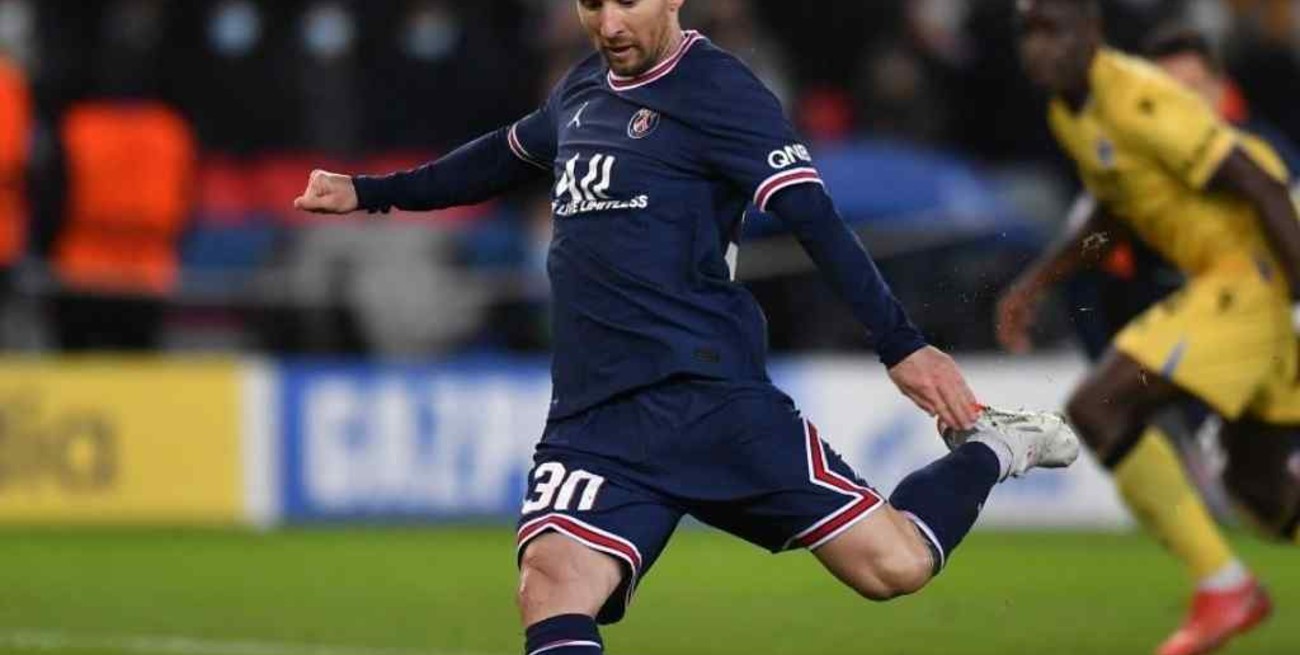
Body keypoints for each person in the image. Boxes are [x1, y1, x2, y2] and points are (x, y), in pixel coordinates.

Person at [296, 1, 1080, 653]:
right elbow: (500, 156)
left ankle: (993, 446)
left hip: (711, 398)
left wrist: (900, 344)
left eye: (626, 2)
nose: (608, 23)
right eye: (591, 3)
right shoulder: (582, 89)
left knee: (894, 567)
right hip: (596, 417)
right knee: (552, 583)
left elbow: (813, 217)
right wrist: (369, 193)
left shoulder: (720, 89)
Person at [1001, 2, 1300, 654]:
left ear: (1092, 32)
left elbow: (1260, 183)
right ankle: (1227, 584)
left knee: (1100, 406)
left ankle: (1225, 589)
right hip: (1238, 286)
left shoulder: (1138, 97)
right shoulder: (1069, 112)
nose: (1039, 47)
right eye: (1028, 32)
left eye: (1053, 30)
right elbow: (1114, 216)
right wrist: (1037, 282)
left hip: (1247, 279)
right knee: (1261, 488)